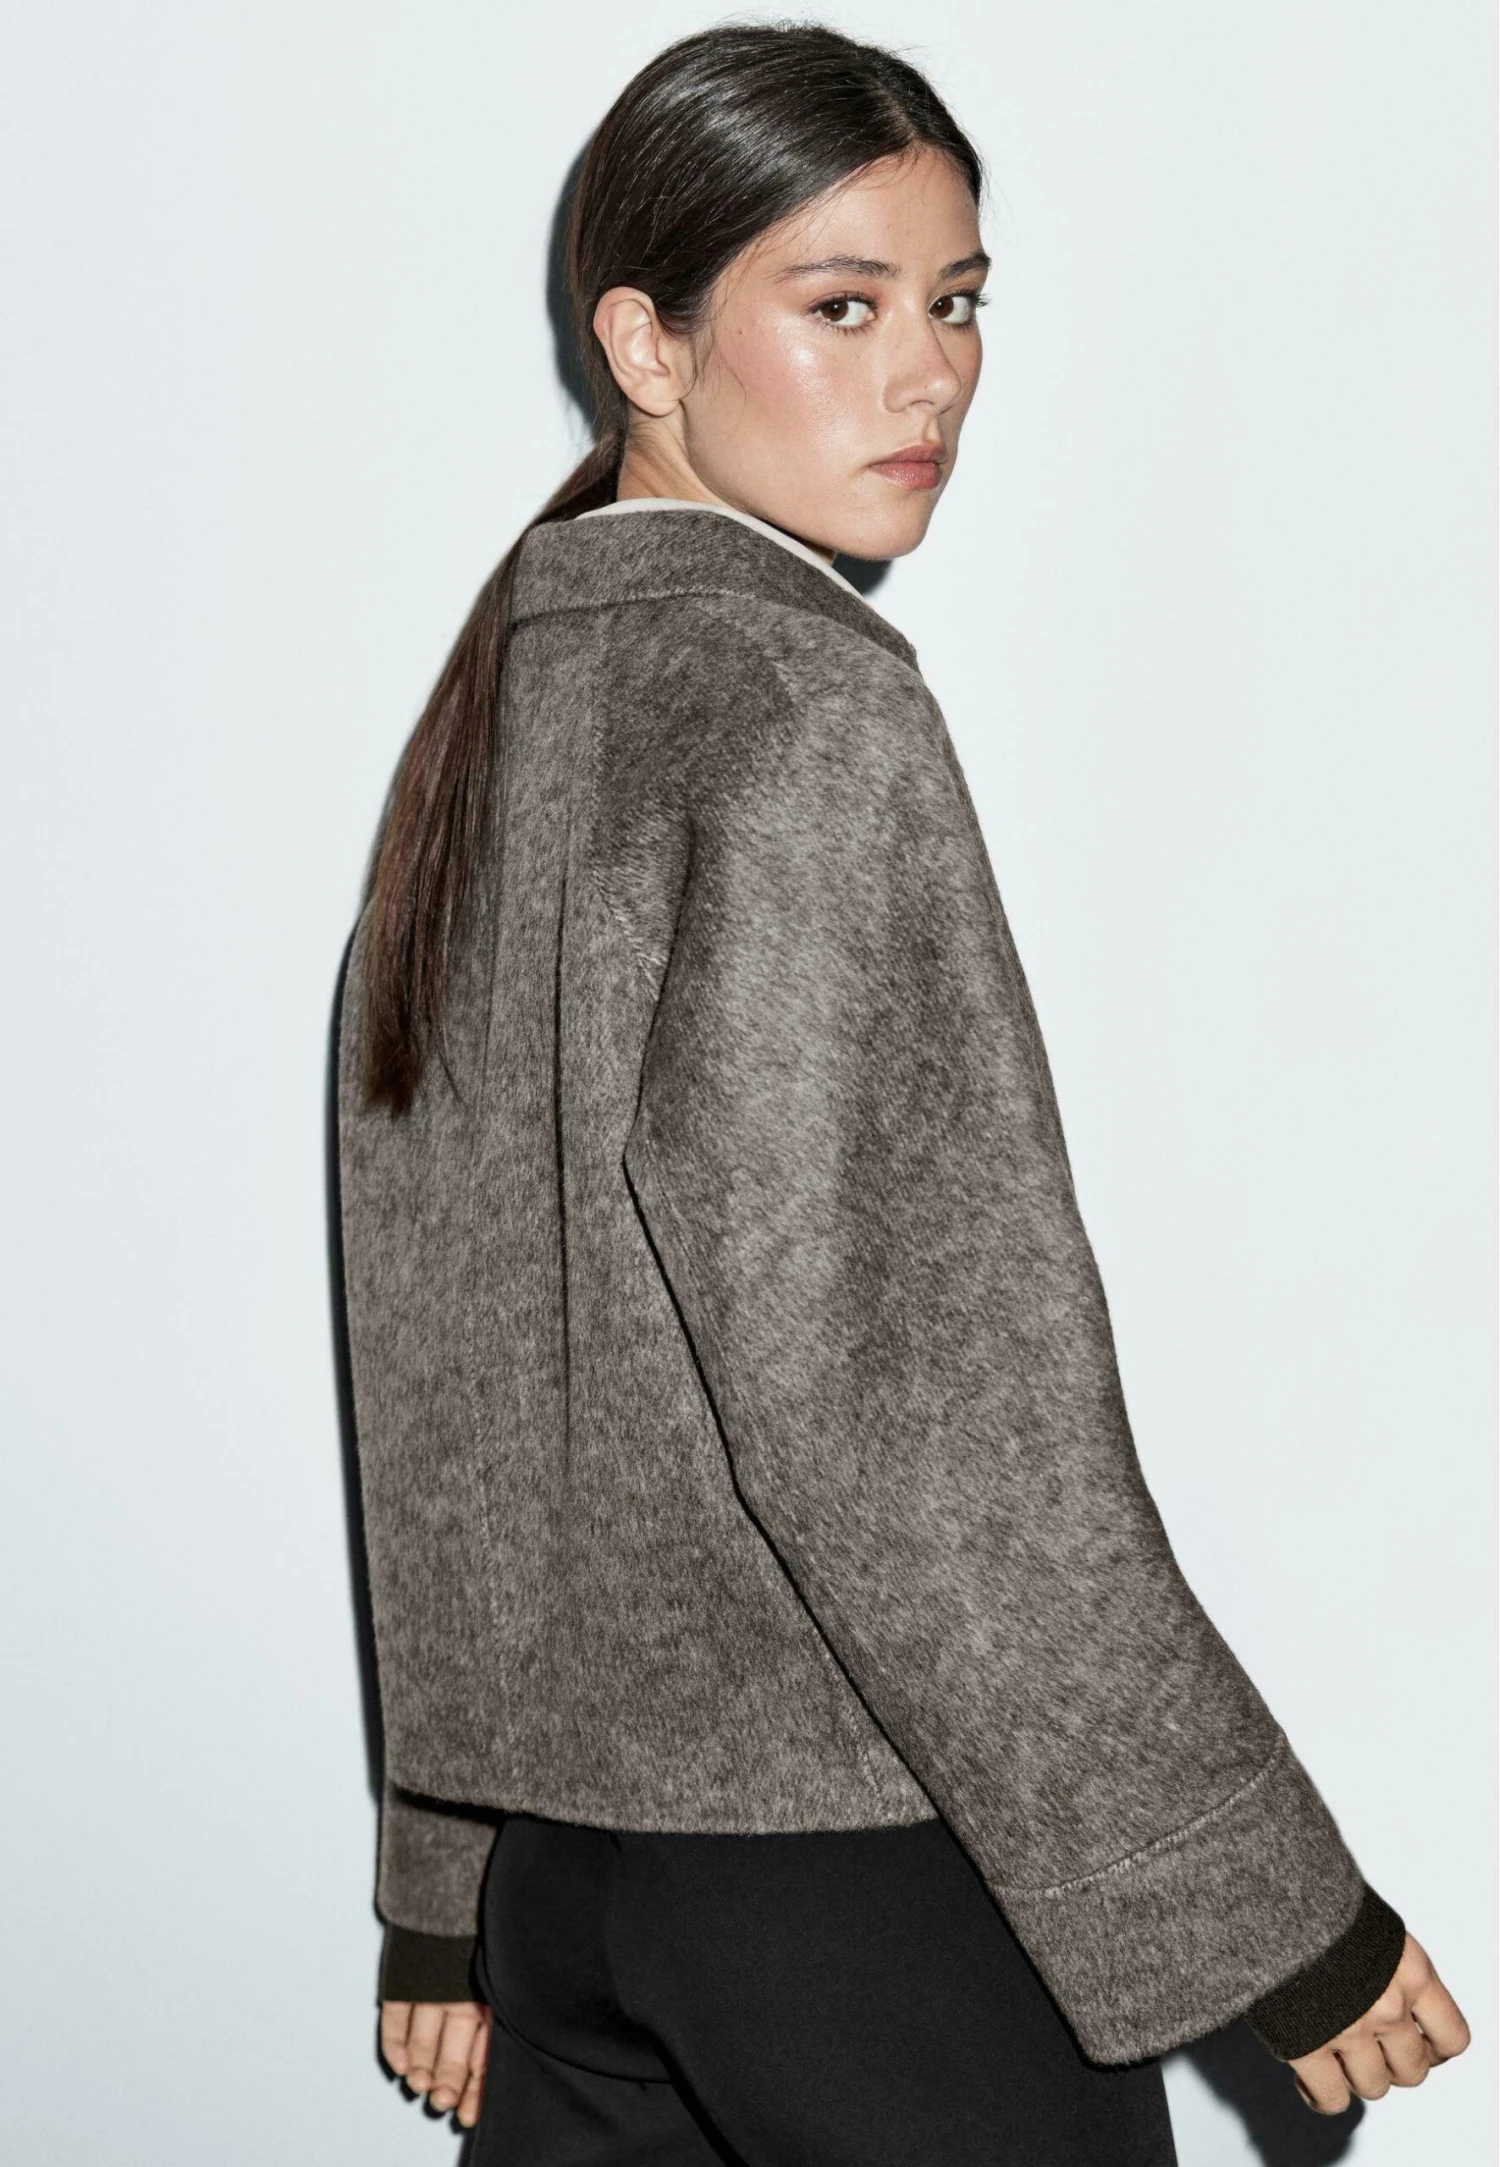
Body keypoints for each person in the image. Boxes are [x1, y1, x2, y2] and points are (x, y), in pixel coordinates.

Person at [334, 22, 1470, 2161]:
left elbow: (445, 1371)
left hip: (572, 1889)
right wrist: (1259, 1900)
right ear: (647, 347)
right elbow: (903, 1409)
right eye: (841, 307)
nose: (929, 375)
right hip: (851, 1871)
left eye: (956, 304)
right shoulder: (800, 712)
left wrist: (446, 1884)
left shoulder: (503, 721)